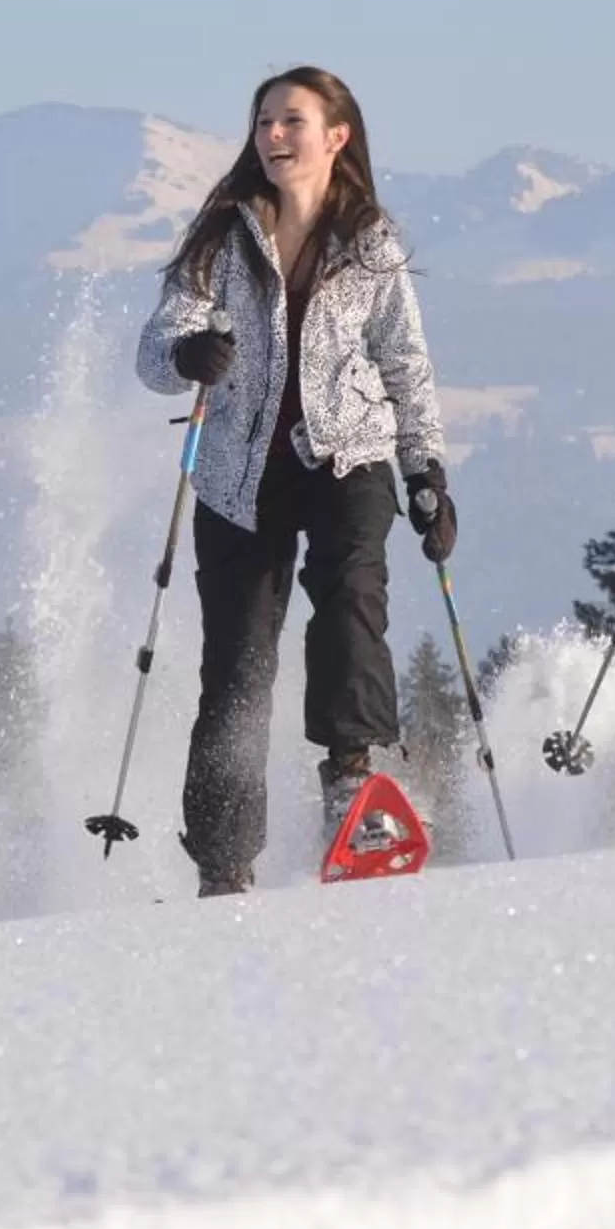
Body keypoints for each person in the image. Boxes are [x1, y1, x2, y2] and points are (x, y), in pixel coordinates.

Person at [135, 65, 452, 896]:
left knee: (350, 599)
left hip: (348, 457)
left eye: (292, 121)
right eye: (264, 121)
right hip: (240, 475)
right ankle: (225, 857)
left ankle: (353, 785)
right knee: (237, 667)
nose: (273, 135)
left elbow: (405, 365)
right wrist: (184, 354)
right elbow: (155, 349)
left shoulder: (370, 241)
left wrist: (426, 472)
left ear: (335, 136)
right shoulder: (220, 236)